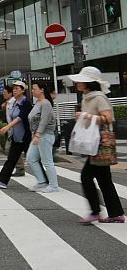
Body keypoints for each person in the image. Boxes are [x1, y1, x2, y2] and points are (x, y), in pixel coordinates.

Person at [69, 66, 125, 224]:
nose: (78, 83)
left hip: (99, 143)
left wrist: (85, 115)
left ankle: (95, 212)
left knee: (86, 176)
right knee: (104, 179)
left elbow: (108, 118)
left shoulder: (99, 97)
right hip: (92, 142)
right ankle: (116, 213)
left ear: (89, 83)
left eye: (81, 80)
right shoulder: (86, 97)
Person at [0, 82, 31, 188]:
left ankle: (45, 181)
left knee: (33, 160)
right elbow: (12, 116)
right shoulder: (14, 103)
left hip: (26, 137)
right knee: (11, 159)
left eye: (17, 88)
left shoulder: (25, 102)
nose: (14, 90)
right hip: (16, 137)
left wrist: (7, 127)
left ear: (23, 90)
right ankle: (1, 180)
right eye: (13, 89)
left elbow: (20, 117)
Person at [26, 80, 59, 193]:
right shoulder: (38, 103)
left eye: (34, 89)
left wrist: (37, 135)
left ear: (42, 90)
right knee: (31, 158)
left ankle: (54, 185)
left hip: (44, 135)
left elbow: (44, 121)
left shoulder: (45, 103)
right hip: (38, 135)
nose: (32, 91)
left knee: (47, 161)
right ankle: (42, 182)